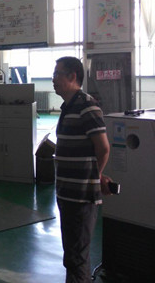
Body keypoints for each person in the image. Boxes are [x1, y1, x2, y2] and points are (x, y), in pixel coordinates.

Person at [52, 56, 112, 283]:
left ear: (72, 76)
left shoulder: (87, 106)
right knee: (72, 256)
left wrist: (95, 176)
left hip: (81, 196)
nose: (53, 79)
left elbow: (103, 148)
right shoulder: (68, 106)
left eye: (57, 74)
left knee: (77, 258)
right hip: (66, 193)